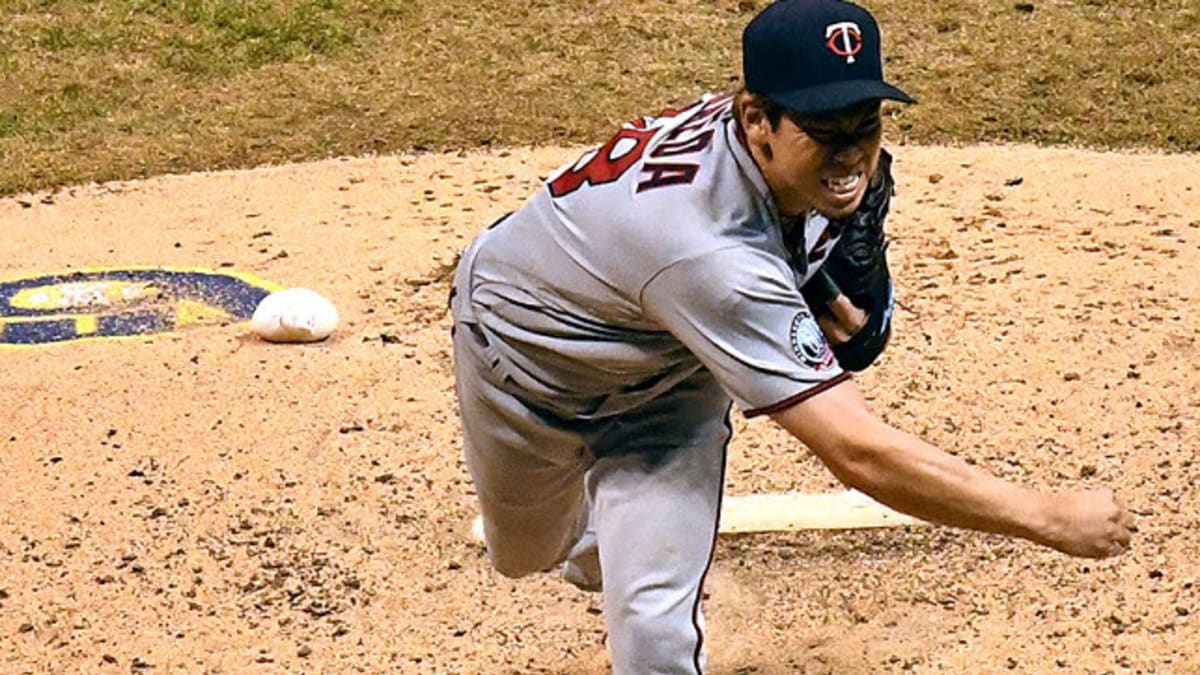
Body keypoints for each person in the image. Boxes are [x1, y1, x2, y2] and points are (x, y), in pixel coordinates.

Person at [449, 0, 1135, 672]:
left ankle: (648, 538)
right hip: (523, 367)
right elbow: (860, 451)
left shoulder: (766, 168)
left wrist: (818, 269)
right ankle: (608, 537)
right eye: (823, 129)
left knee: (655, 629)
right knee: (525, 553)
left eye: (863, 125)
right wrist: (1045, 516)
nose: (850, 154)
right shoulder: (708, 256)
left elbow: (784, 239)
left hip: (669, 387)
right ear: (756, 118)